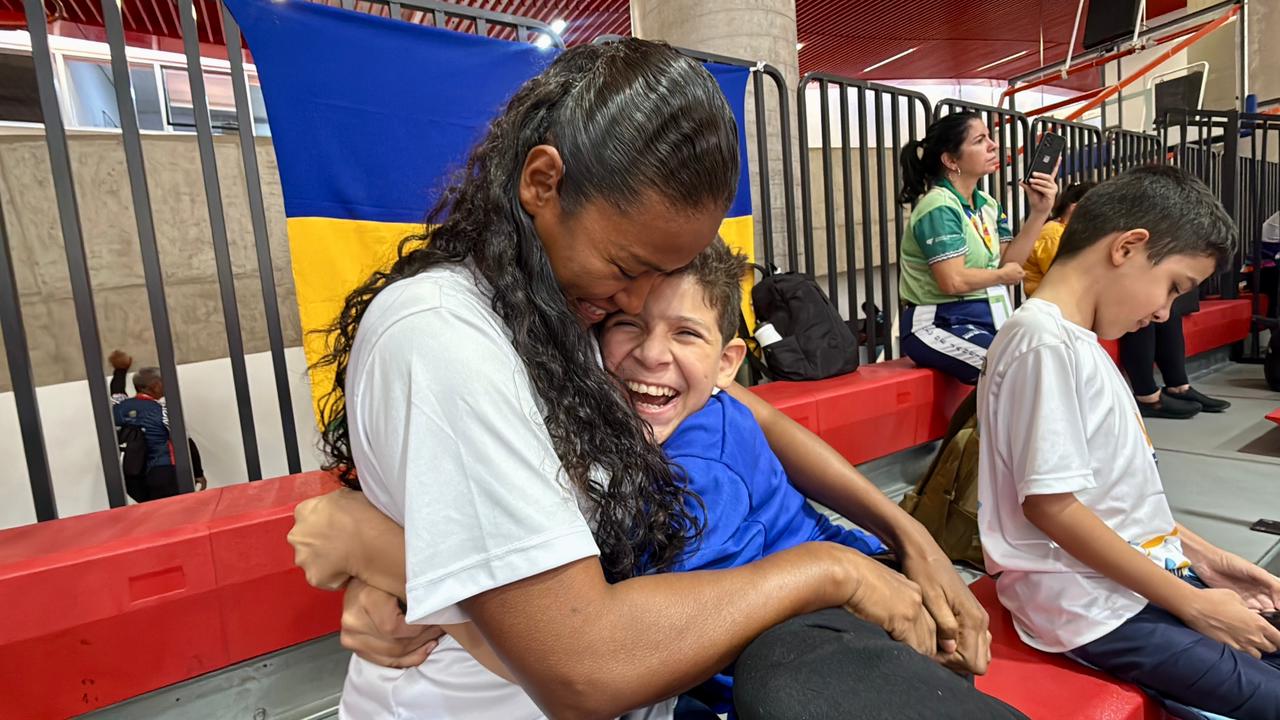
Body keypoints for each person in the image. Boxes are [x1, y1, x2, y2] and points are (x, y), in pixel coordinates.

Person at [286, 38, 1008, 720]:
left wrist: (905, 529)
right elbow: (581, 663)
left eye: (666, 280)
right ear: (542, 182)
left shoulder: (562, 306)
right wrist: (832, 572)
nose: (635, 303)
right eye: (628, 269)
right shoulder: (448, 335)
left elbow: (745, 406)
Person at [293, 240, 1022, 717]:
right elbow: (760, 414)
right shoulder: (667, 406)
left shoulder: (686, 476)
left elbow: (576, 649)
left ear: (728, 361)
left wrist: (383, 556)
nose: (652, 355)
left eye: (685, 335)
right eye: (627, 325)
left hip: (838, 643)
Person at [977, 165, 1280, 719]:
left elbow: (1116, 504)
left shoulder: (1075, 341)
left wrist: (1210, 561)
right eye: (1173, 287)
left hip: (1134, 584)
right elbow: (1051, 507)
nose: (1164, 312)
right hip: (1091, 609)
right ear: (1127, 247)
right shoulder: (1043, 343)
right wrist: (1193, 604)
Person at [896, 111, 1058, 384]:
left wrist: (1040, 212)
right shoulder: (939, 205)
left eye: (989, 138)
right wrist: (1001, 276)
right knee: (1014, 371)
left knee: (1048, 359)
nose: (993, 145)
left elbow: (1009, 262)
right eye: (980, 140)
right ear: (951, 160)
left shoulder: (988, 204)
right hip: (938, 322)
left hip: (986, 318)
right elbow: (953, 281)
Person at [108, 350, 206, 501]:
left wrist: (120, 370)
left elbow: (116, 392)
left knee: (155, 513)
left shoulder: (119, 407)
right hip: (165, 473)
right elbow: (185, 442)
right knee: (177, 511)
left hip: (133, 477)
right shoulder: (164, 410)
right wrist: (198, 473)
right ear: (156, 386)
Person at [1021, 180, 1096, 296]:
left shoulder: (1068, 231)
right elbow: (1064, 277)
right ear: (1075, 208)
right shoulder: (1053, 233)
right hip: (1051, 301)